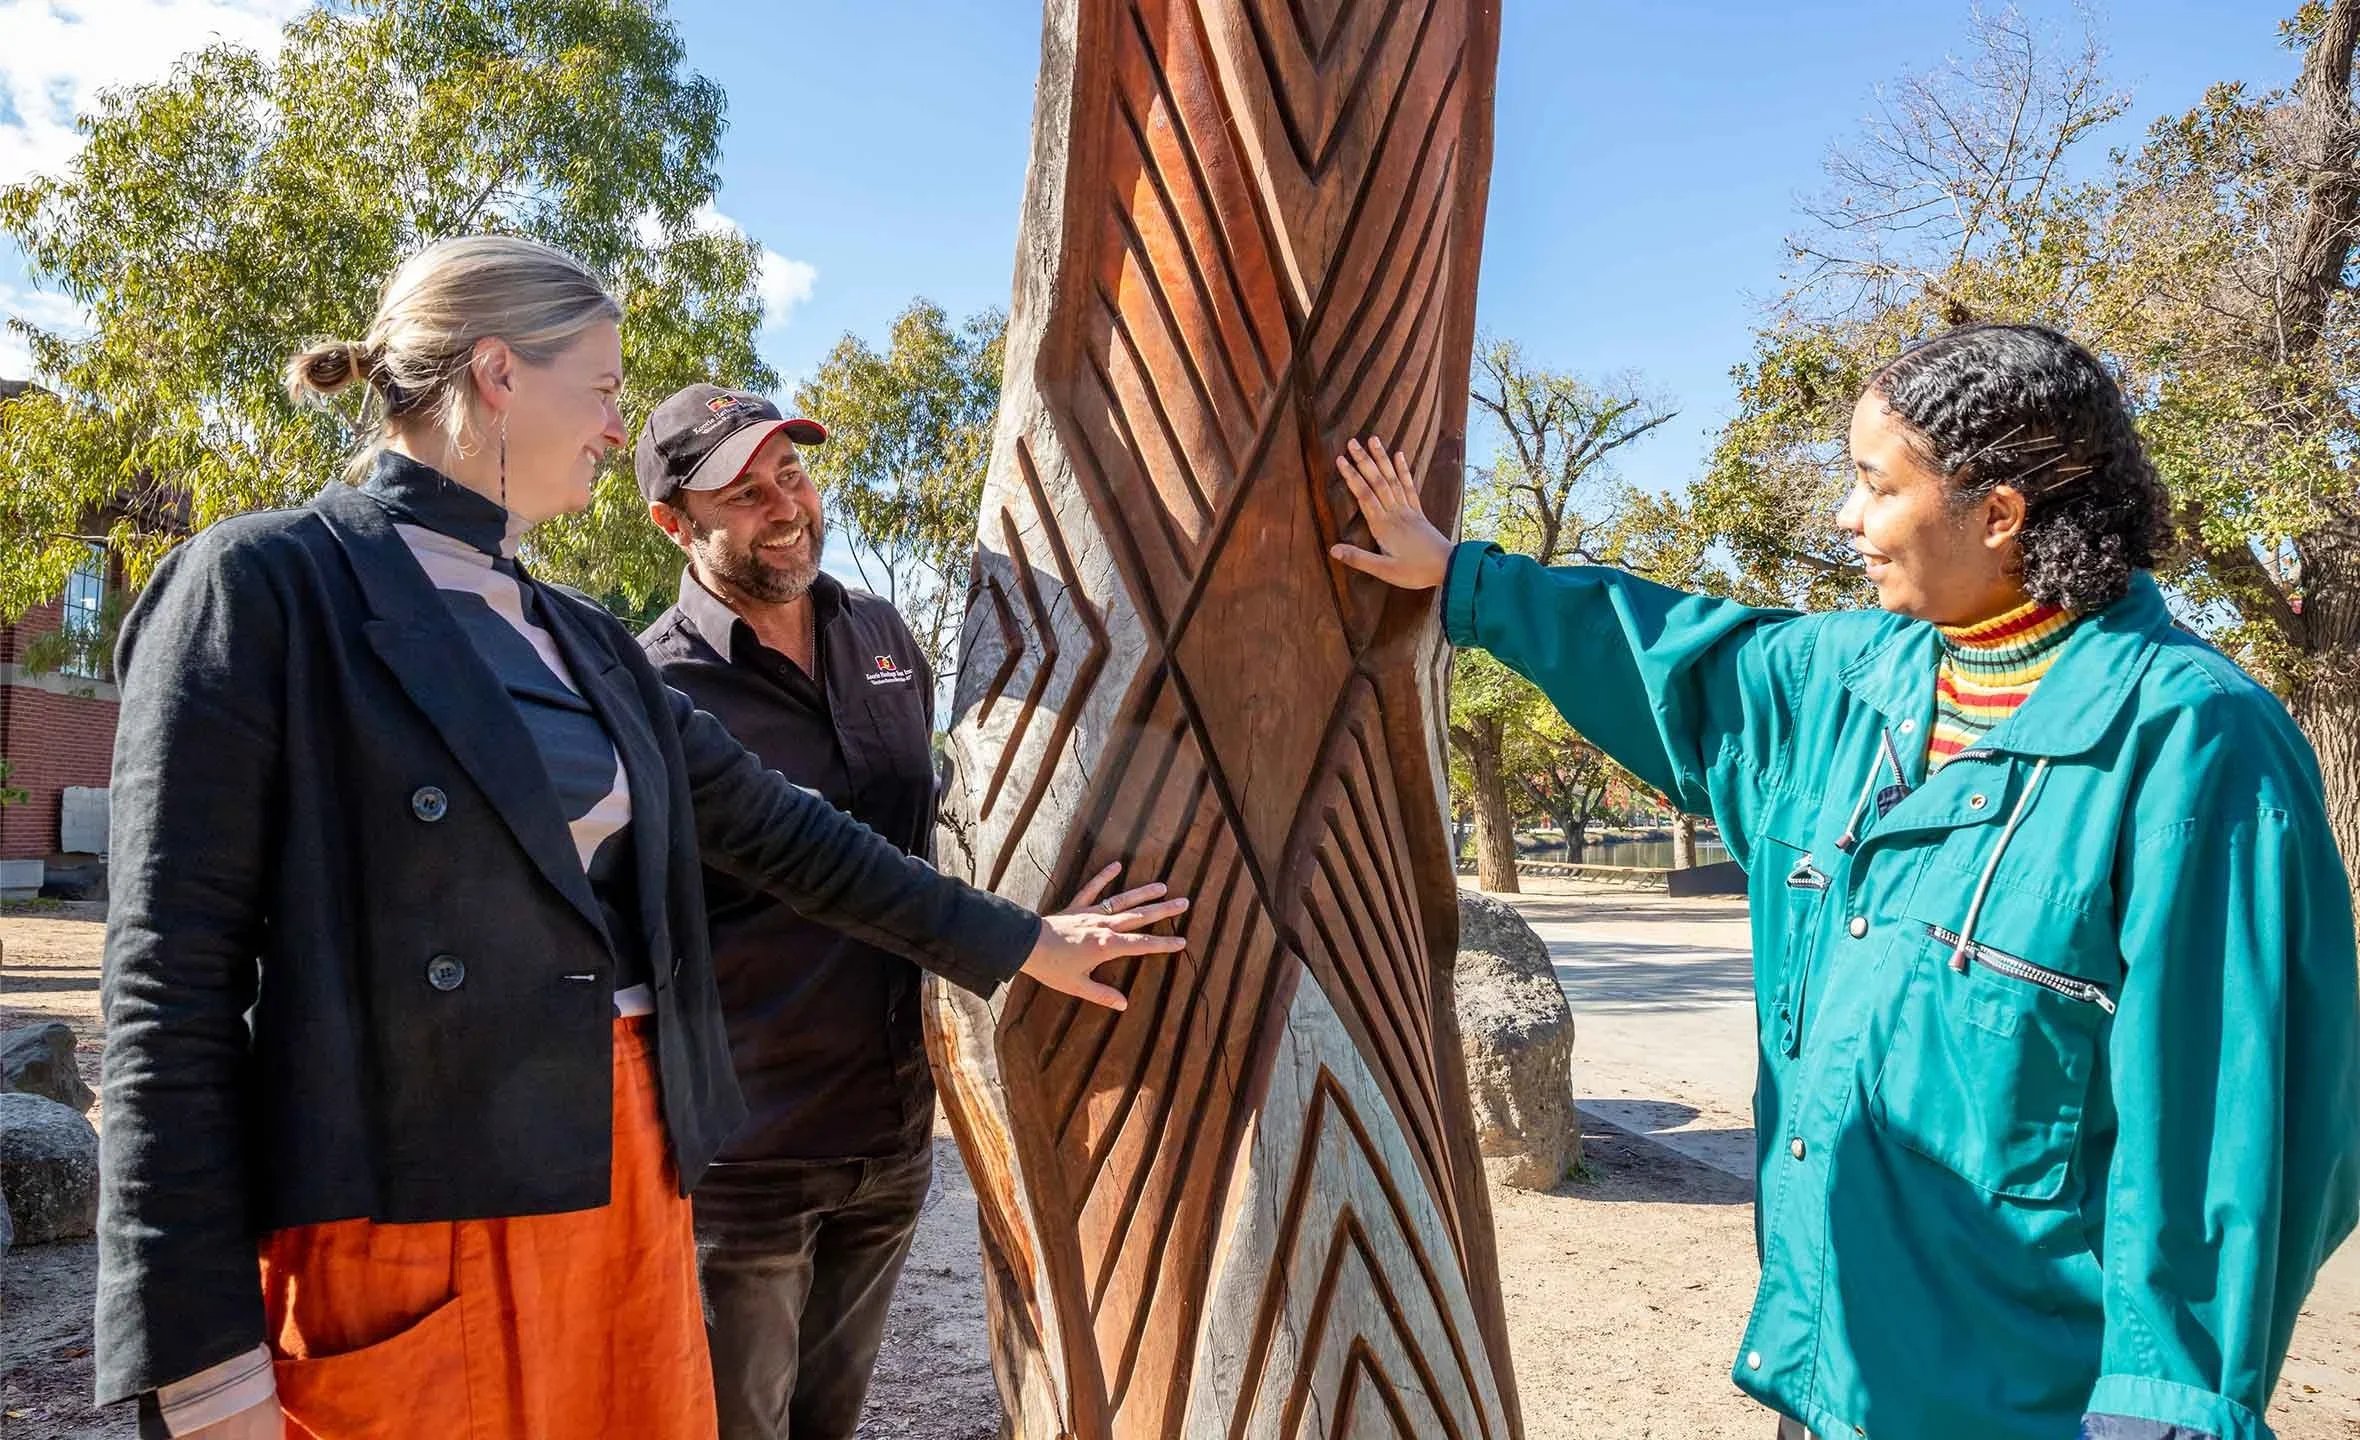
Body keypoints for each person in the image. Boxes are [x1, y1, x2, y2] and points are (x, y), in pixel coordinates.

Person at [93, 234, 1187, 1440]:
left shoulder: (578, 635)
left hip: (630, 1177)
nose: (615, 427)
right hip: (409, 1208)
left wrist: (1024, 942)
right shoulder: (262, 586)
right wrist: (199, 1362)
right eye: (604, 391)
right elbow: (169, 991)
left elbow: (794, 836)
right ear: (499, 373)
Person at [1330, 322, 2360, 1440]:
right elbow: (1669, 652)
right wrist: (1458, 578)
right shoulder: (1842, 680)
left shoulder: (2194, 744)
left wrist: (2166, 1406)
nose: (1844, 518)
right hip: (1836, 1377)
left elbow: (2237, 1117)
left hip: (2036, 1401)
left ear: (1997, 514)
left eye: (1874, 485)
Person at [631, 384, 1158, 1436]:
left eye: (792, 474)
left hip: (891, 1135)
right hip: (745, 1152)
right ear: (673, 522)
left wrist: (1045, 907)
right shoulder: (655, 690)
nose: (785, 506)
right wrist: (1022, 948)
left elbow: (924, 839)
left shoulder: (877, 635)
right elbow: (824, 869)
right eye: (742, 493)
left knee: (832, 1422)